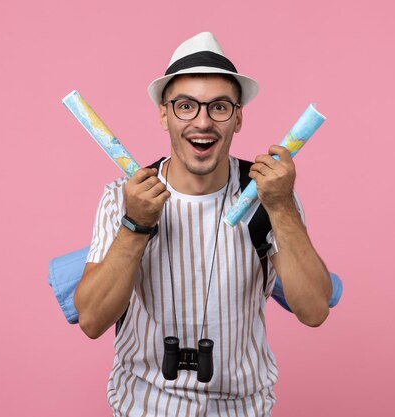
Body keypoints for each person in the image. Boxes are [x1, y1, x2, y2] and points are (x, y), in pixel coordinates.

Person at [73, 32, 332, 417]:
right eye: (185, 106)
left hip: (243, 409)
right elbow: (92, 321)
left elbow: (314, 310)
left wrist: (279, 206)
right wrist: (134, 226)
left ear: (238, 117)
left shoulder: (270, 196)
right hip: (144, 407)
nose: (203, 122)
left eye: (219, 107)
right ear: (164, 114)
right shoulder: (123, 196)